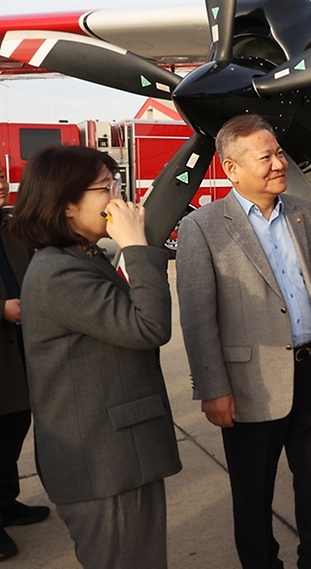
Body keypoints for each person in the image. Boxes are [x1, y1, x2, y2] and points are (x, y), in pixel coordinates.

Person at [177, 114, 311, 569]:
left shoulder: (302, 212)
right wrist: (213, 388)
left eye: (278, 153)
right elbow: (198, 317)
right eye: (265, 156)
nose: (279, 164)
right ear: (232, 169)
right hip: (249, 382)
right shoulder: (203, 227)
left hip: (310, 368)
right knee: (253, 491)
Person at [10, 146, 181, 568]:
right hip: (103, 465)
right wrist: (137, 247)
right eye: (106, 188)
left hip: (117, 457)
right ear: (66, 205)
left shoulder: (81, 258)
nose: (118, 199)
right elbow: (149, 327)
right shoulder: (60, 273)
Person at [0, 167, 50, 562]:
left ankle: (6, 503)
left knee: (14, 427)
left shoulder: (13, 229)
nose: (1, 182)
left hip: (20, 353)